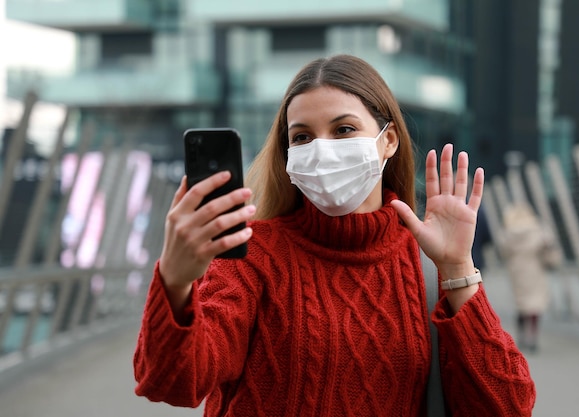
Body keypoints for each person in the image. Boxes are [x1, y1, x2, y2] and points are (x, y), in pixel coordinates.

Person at [133, 54, 535, 416]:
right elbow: (173, 382)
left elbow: (508, 407)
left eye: (343, 129)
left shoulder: (427, 264)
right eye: (302, 137)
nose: (322, 150)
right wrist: (175, 279)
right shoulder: (254, 254)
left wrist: (457, 268)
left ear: (388, 141)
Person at [499, 202, 557, 353]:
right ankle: (533, 336)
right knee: (534, 305)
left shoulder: (508, 232)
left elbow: (503, 251)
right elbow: (548, 246)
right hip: (535, 269)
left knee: (521, 304)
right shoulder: (538, 229)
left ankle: (521, 335)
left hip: (517, 271)